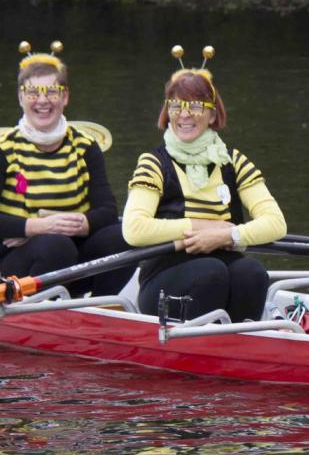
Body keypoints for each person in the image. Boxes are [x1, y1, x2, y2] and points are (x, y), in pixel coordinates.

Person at [122, 45, 287, 321]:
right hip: (163, 281)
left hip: (219, 269)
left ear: (212, 115)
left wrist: (227, 236)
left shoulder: (234, 162)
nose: (185, 115)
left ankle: (239, 343)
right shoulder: (153, 163)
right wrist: (200, 228)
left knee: (252, 273)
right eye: (177, 105)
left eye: (196, 106)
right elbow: (134, 230)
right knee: (211, 271)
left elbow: (275, 223)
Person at [0, 40, 132, 297]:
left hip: (72, 259)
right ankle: (44, 310)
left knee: (124, 235)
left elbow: (108, 211)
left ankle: (99, 308)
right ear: (21, 98)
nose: (42, 101)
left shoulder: (85, 146)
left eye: (51, 92)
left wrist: (82, 223)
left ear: (65, 97)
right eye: (33, 93)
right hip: (15, 266)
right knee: (56, 245)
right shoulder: (1, 150)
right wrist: (35, 227)